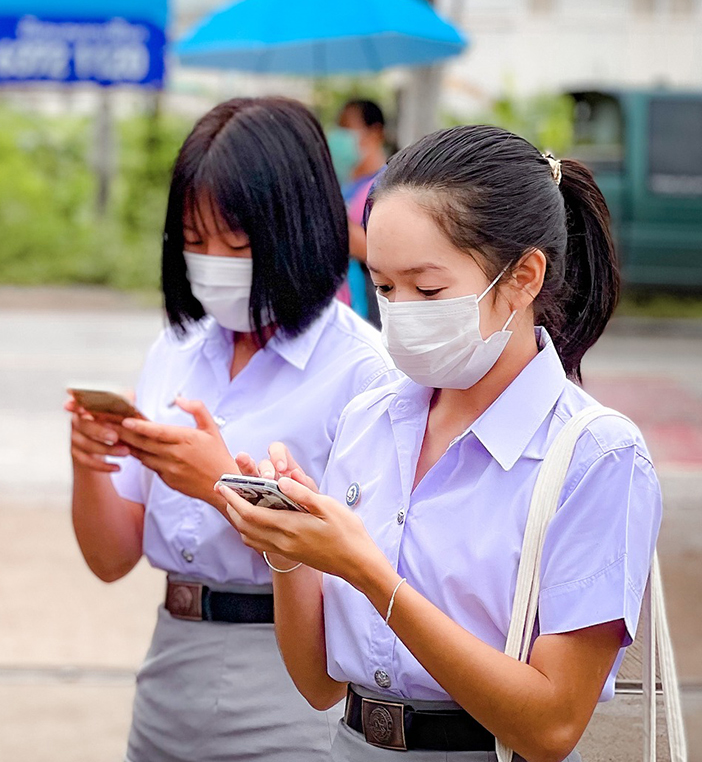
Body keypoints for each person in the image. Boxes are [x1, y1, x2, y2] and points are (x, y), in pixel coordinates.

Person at [218, 125, 663, 760]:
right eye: (384, 288)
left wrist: (367, 573)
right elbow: (318, 684)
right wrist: (292, 550)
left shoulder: (597, 458)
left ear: (523, 277)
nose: (400, 312)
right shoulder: (370, 417)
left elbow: (551, 727)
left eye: (427, 290)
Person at [67, 97, 394, 762]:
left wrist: (222, 484)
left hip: (292, 673)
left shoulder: (364, 372)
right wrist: (89, 462)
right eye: (193, 241)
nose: (213, 260)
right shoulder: (179, 349)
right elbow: (110, 558)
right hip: (172, 658)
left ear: (296, 229)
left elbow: (362, 566)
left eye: (236, 243)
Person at [330, 99, 387, 325]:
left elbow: (383, 251)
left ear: (374, 133)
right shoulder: (347, 185)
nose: (339, 136)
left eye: (347, 127)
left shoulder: (386, 186)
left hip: (369, 310)